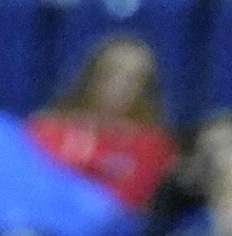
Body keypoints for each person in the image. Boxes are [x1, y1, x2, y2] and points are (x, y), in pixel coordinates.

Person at [28, 34, 179, 216]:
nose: (122, 84)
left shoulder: (153, 145)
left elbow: (125, 203)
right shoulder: (48, 128)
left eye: (135, 78)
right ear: (92, 75)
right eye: (113, 72)